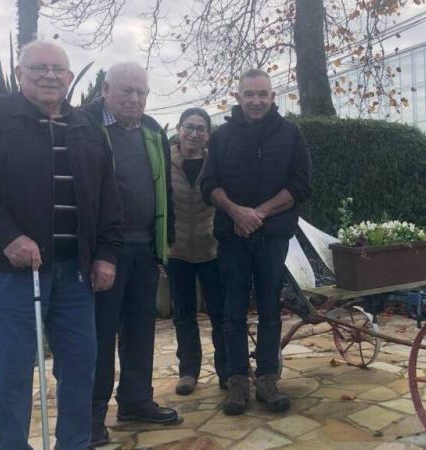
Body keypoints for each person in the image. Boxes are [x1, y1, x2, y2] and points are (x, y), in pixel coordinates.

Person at [0, 41, 123, 450]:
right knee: (12, 370)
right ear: (19, 72)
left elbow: (108, 198)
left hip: (75, 272)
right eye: (39, 68)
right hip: (15, 272)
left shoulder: (87, 127)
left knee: (81, 365)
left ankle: (75, 443)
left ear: (69, 78)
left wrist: (105, 255)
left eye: (57, 69)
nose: (50, 75)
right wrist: (8, 238)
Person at [201, 68, 312, 416]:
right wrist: (236, 213)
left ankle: (267, 378)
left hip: (273, 237)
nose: (256, 100)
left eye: (263, 94)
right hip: (232, 237)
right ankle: (237, 380)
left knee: (269, 309)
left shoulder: (291, 134)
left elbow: (301, 185)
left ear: (273, 97)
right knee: (232, 311)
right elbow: (209, 186)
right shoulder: (220, 138)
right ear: (238, 97)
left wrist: (258, 213)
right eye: (249, 94)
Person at [83, 62, 177, 446]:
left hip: (145, 250)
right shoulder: (84, 126)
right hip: (103, 254)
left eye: (141, 92)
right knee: (99, 337)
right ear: (106, 89)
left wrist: (164, 241)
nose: (134, 99)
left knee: (140, 330)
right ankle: (91, 417)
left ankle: (136, 400)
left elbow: (164, 189)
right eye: (126, 90)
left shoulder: (153, 130)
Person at [167, 107, 227, 395]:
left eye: (200, 128)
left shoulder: (215, 162)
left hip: (211, 249)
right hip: (176, 250)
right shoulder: (164, 161)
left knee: (220, 313)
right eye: (189, 127)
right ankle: (188, 371)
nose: (194, 133)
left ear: (207, 134)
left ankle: (226, 371)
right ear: (179, 129)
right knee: (184, 314)